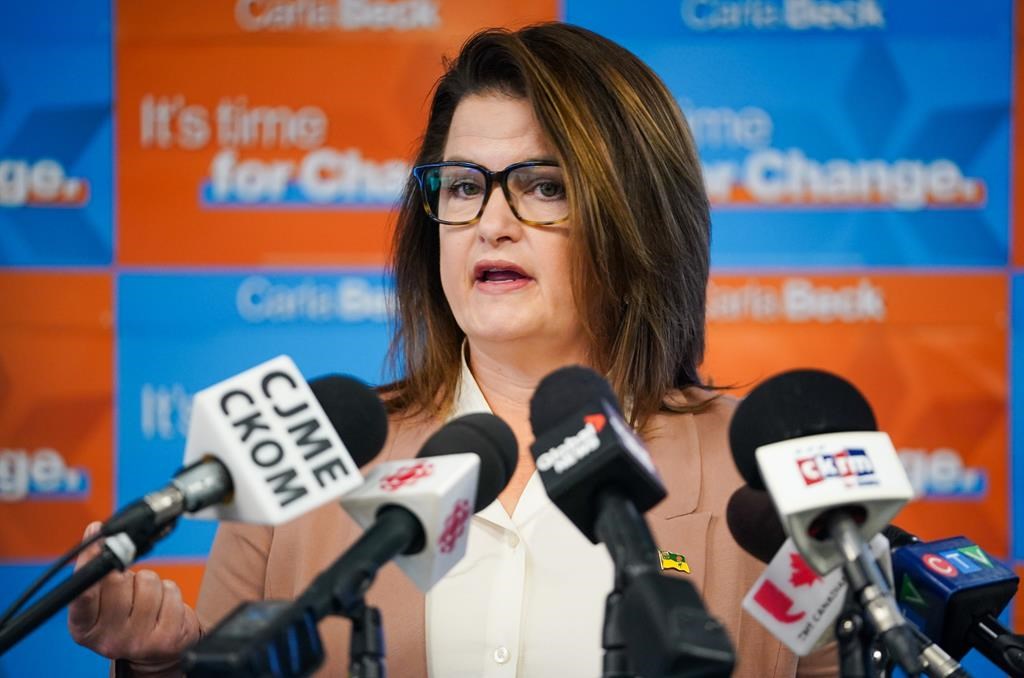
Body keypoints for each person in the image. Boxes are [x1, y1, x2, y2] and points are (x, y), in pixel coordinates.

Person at [69, 22, 837, 677]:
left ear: (636, 216)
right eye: (463, 184)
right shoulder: (310, 464)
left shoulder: (767, 477)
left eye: (543, 186)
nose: (490, 222)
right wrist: (164, 661)